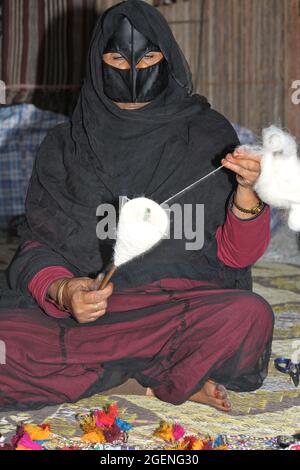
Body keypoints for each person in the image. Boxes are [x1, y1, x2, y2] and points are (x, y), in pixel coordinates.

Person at [0, 0, 273, 412]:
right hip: (92, 314)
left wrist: (248, 194)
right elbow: (37, 251)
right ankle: (150, 379)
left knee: (249, 315)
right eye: (116, 56)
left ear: (168, 58)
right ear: (98, 63)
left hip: (179, 308)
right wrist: (64, 290)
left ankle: (110, 373)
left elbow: (236, 257)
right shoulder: (64, 147)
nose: (132, 69)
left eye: (148, 55)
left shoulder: (206, 134)